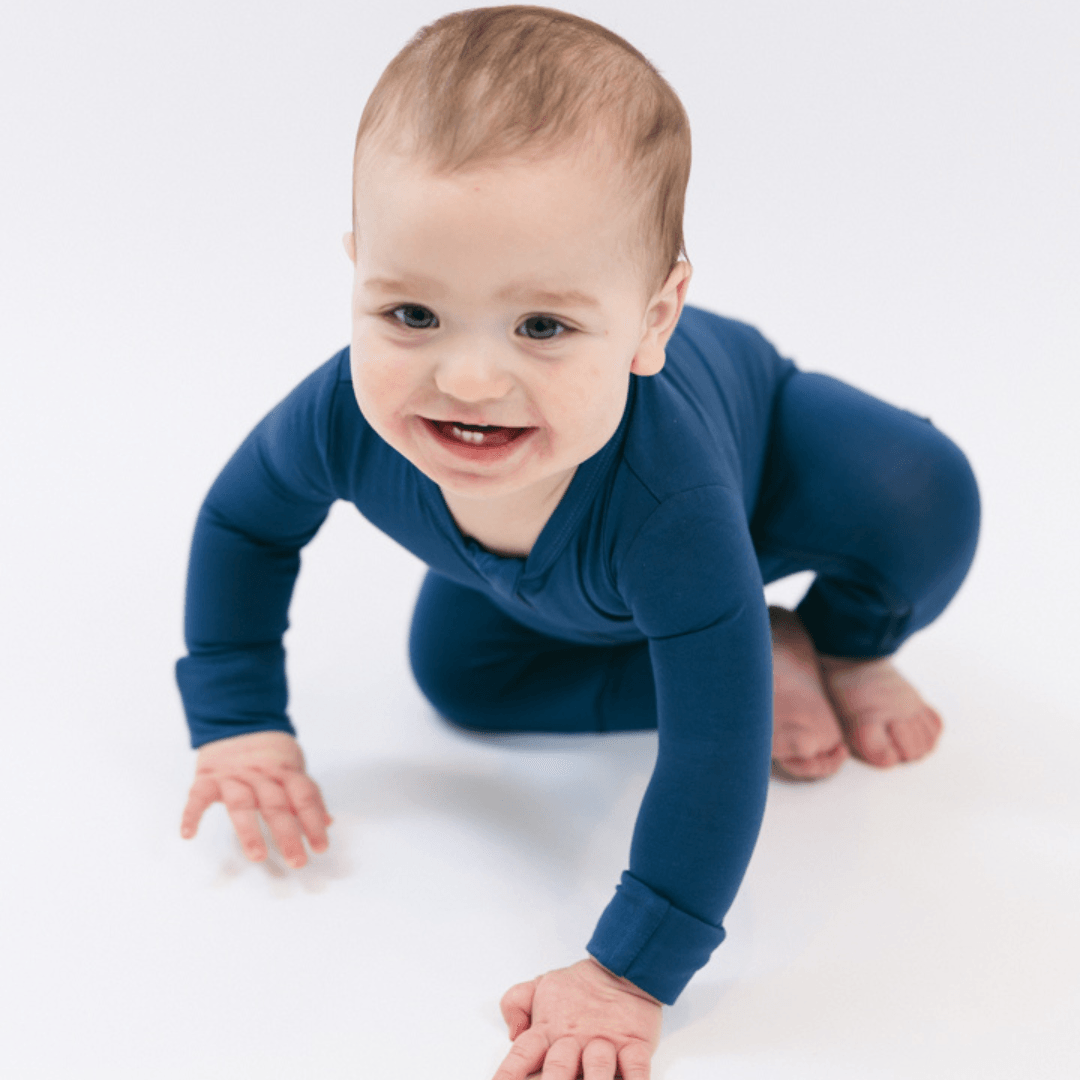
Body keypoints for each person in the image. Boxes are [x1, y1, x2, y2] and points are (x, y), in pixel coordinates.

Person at [175, 7, 981, 1079]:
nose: (467, 380)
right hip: (563, 586)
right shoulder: (340, 415)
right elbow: (244, 525)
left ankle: (839, 642)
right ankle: (762, 646)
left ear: (654, 320)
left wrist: (628, 974)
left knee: (918, 487)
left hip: (772, 468)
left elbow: (712, 750)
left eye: (543, 327)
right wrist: (239, 722)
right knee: (460, 678)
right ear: (359, 269)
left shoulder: (669, 502)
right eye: (411, 314)